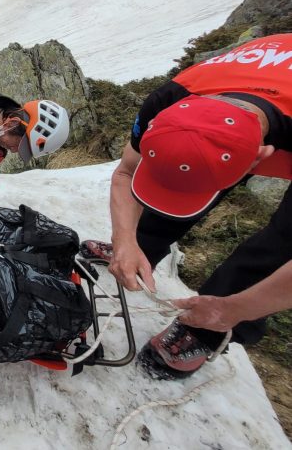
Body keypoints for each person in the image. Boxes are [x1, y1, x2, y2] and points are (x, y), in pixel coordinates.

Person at [92, 33, 292, 380]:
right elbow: (127, 171)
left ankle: (206, 330)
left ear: (260, 159)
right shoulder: (170, 100)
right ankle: (142, 250)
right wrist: (126, 240)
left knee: (283, 238)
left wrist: (234, 309)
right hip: (258, 81)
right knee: (184, 172)